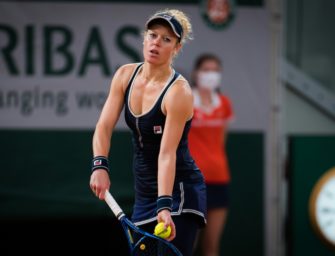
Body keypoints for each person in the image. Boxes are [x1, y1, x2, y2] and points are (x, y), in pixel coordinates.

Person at [89, 9, 206, 256]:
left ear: (177, 48)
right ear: (144, 38)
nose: (156, 43)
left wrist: (164, 205)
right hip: (144, 192)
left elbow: (167, 154)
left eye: (166, 39)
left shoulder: (179, 93)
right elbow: (103, 126)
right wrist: (100, 165)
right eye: (153, 35)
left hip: (179, 192)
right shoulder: (124, 75)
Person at [188, 54, 234, 256]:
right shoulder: (185, 99)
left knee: (212, 246)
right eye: (206, 69)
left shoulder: (224, 103)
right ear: (196, 73)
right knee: (187, 244)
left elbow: (222, 140)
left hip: (219, 178)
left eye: (215, 70)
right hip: (191, 181)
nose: (211, 74)